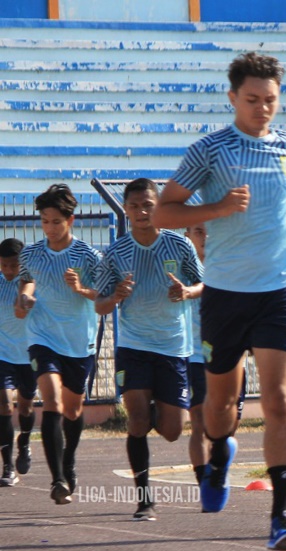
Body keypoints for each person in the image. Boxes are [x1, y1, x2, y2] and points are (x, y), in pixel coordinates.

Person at [152, 51, 286, 551]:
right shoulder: (209, 150)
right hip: (226, 294)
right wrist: (220, 207)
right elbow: (163, 212)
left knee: (278, 401)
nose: (262, 108)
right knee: (220, 410)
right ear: (232, 97)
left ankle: (283, 518)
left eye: (270, 100)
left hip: (279, 291)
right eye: (252, 100)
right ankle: (221, 452)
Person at [94, 178, 204, 521]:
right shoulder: (115, 254)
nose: (142, 211)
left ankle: (156, 404)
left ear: (158, 207)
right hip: (133, 346)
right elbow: (98, 304)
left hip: (173, 347)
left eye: (148, 205)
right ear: (126, 210)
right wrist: (115, 298)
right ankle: (144, 501)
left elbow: (204, 284)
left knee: (172, 431)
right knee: (137, 422)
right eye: (135, 205)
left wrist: (186, 292)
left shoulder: (179, 246)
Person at [16, 183, 103, 505]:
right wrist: (25, 294)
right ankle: (58, 480)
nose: (49, 228)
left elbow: (104, 296)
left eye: (56, 221)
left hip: (79, 342)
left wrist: (82, 289)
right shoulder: (32, 253)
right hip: (42, 337)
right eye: (44, 221)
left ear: (71, 220)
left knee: (73, 409)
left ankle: (68, 462)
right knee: (51, 401)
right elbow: (27, 277)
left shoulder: (89, 256)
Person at [184, 223, 247, 489]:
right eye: (199, 230)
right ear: (187, 236)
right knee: (199, 420)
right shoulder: (180, 269)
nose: (206, 236)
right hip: (196, 356)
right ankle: (204, 483)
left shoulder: (233, 266)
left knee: (228, 425)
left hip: (231, 357)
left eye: (210, 230)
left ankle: (219, 467)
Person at [0, 238, 35, 487]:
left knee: (25, 407)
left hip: (29, 355)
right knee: (4, 404)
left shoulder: (32, 284)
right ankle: (8, 467)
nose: (9, 270)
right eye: (4, 265)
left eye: (14, 265)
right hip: (3, 355)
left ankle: (24, 442)